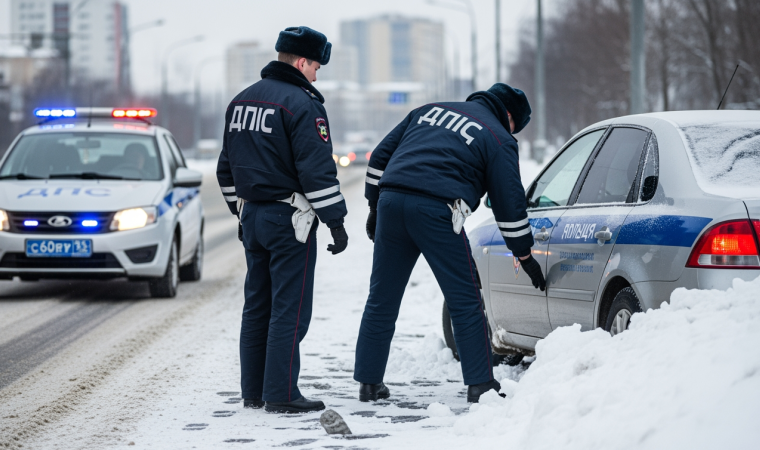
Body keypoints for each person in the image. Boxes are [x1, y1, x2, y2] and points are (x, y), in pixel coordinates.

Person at [355, 83, 547, 403]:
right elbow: (509, 205)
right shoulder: (498, 137)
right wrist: (524, 255)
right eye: (516, 127)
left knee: (382, 297)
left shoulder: (427, 111)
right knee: (465, 299)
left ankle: (369, 383)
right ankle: (481, 384)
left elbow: (378, 159)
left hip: (392, 202)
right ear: (509, 116)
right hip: (437, 210)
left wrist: (375, 206)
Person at [217, 26, 348, 414]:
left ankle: (253, 391)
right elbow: (316, 171)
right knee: (289, 308)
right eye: (316, 67)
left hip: (253, 217)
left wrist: (240, 212)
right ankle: (281, 393)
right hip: (289, 220)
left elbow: (226, 168)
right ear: (302, 61)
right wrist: (336, 222)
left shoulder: (241, 101)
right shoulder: (302, 105)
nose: (316, 76)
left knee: (256, 306)